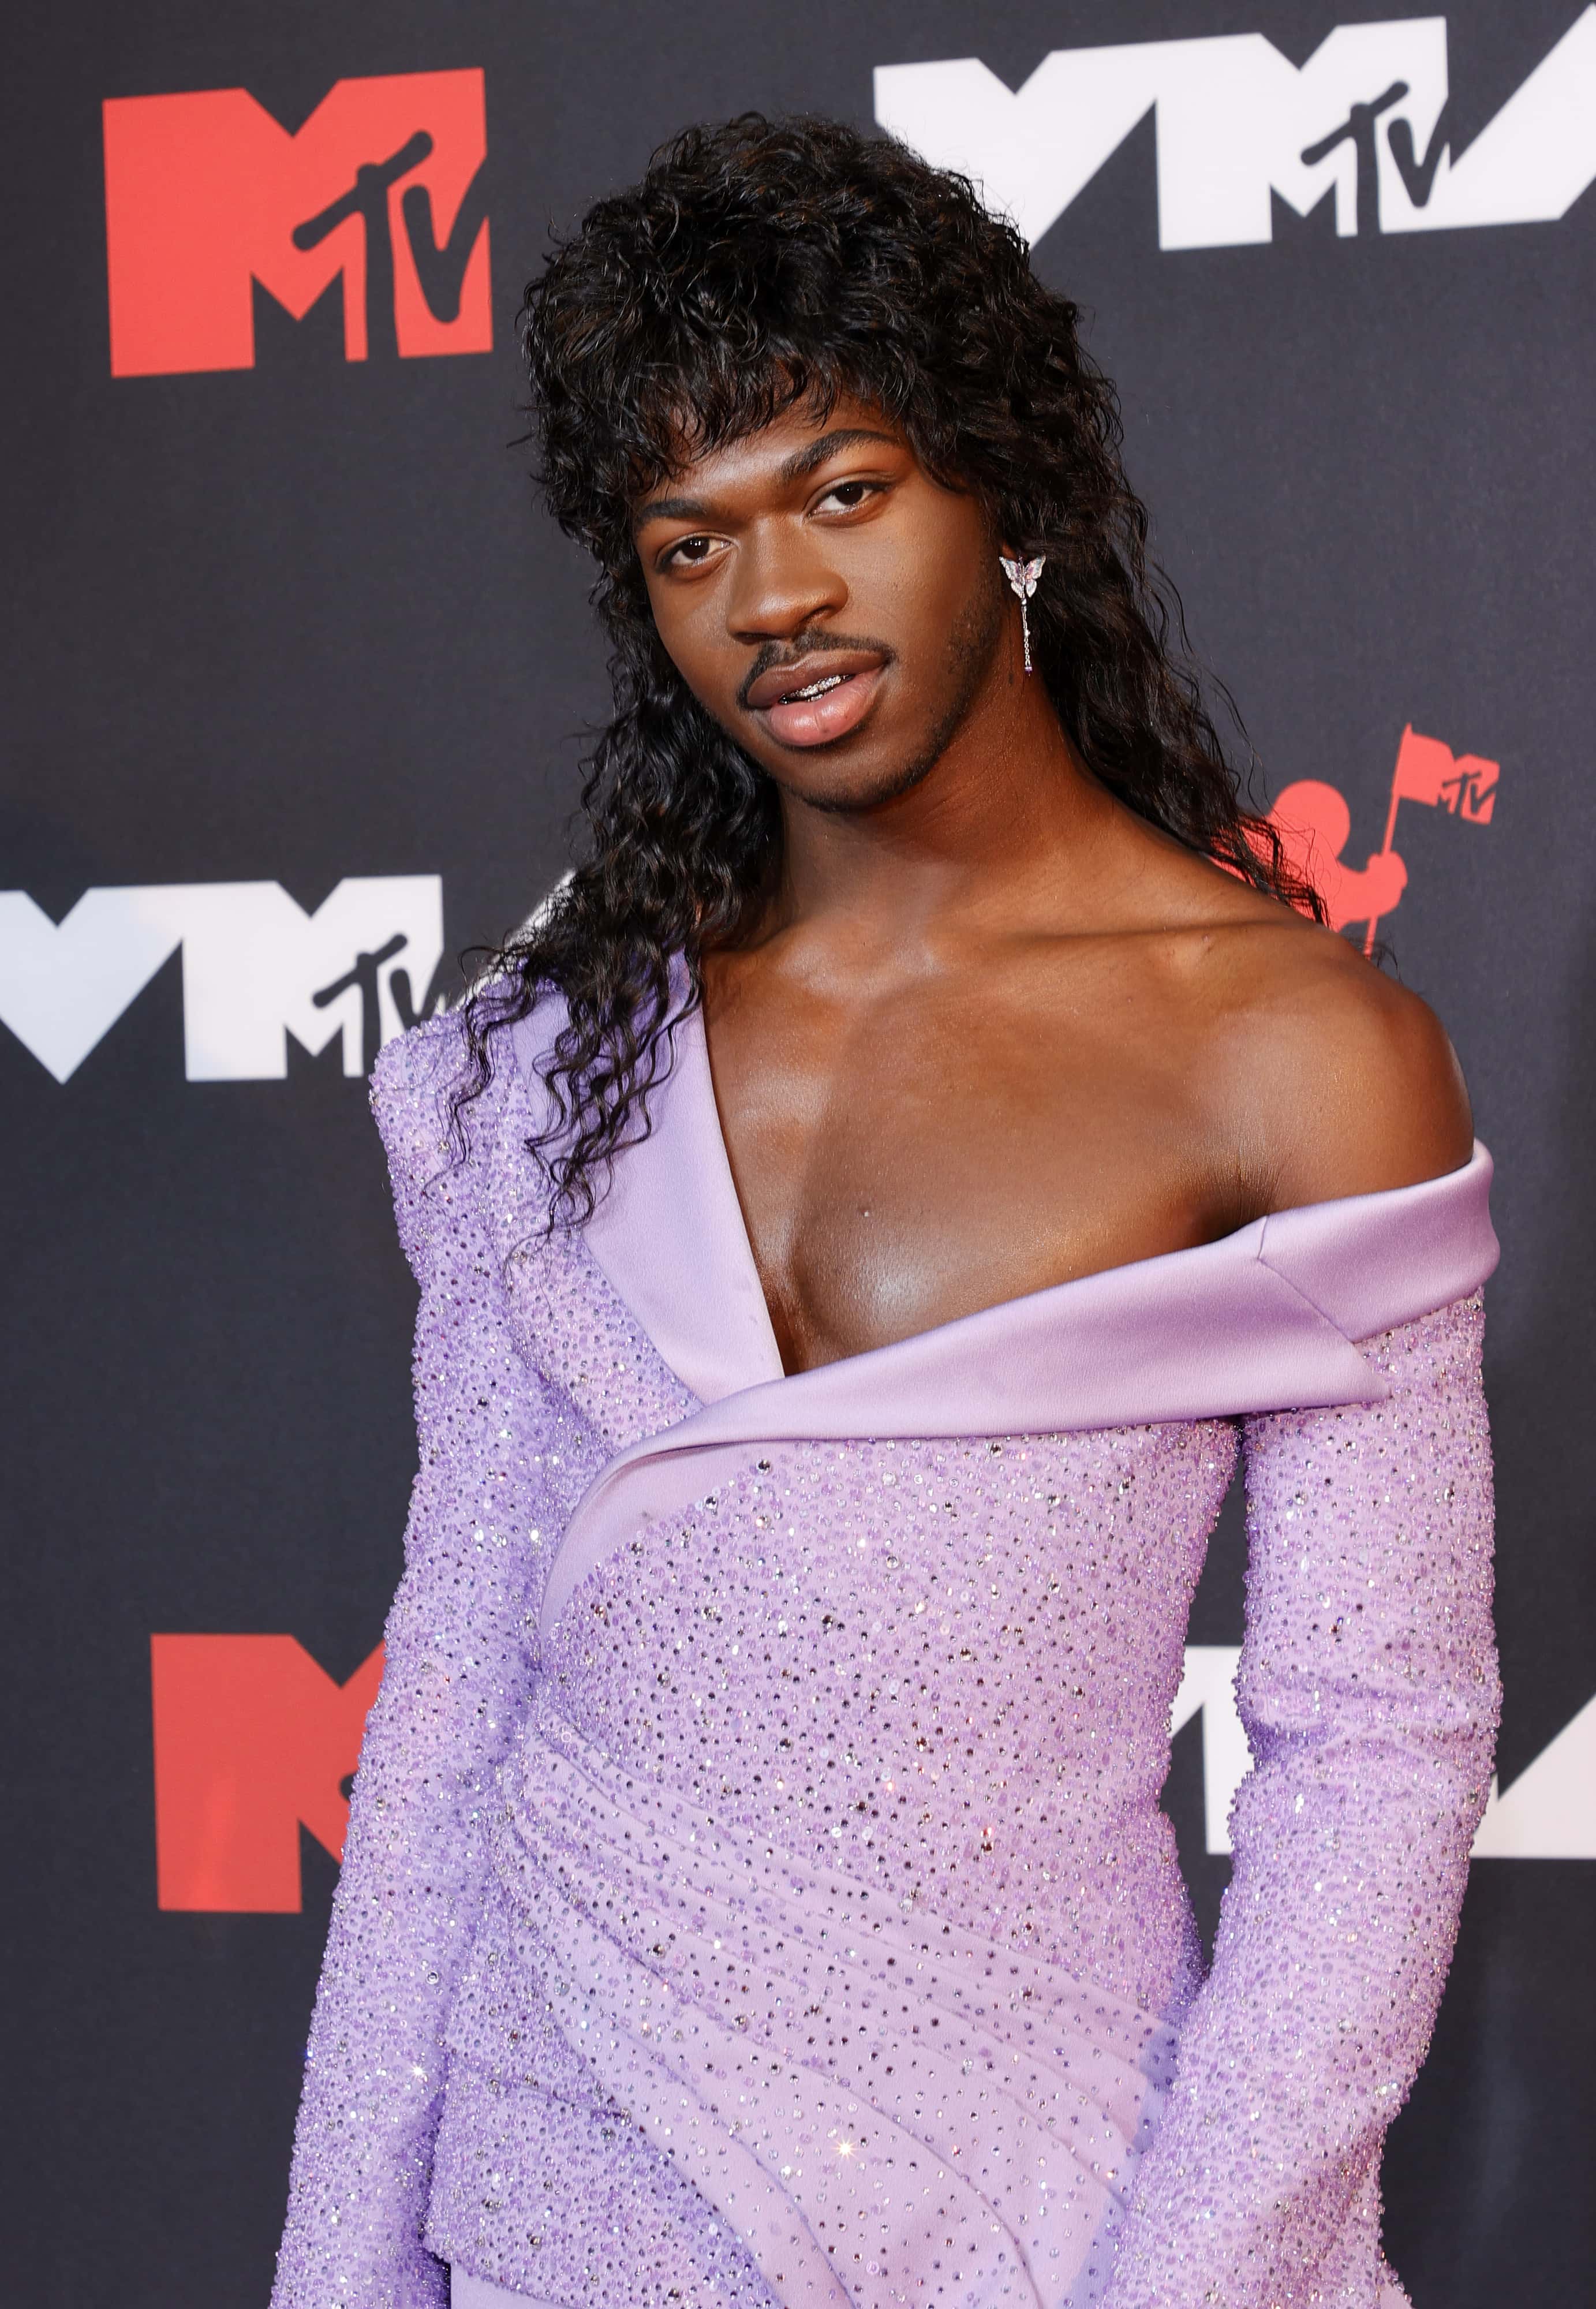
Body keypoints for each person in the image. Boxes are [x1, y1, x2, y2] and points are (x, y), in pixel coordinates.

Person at [272, 117, 1498, 2309]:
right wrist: (343, 2273)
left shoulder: (1296, 1053)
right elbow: (450, 1700)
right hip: (556, 2214)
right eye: (691, 542)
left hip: (1048, 2221)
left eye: (842, 493)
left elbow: (1373, 1761)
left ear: (1004, 493)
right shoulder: (552, 1067)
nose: (775, 602)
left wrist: (1194, 2286)